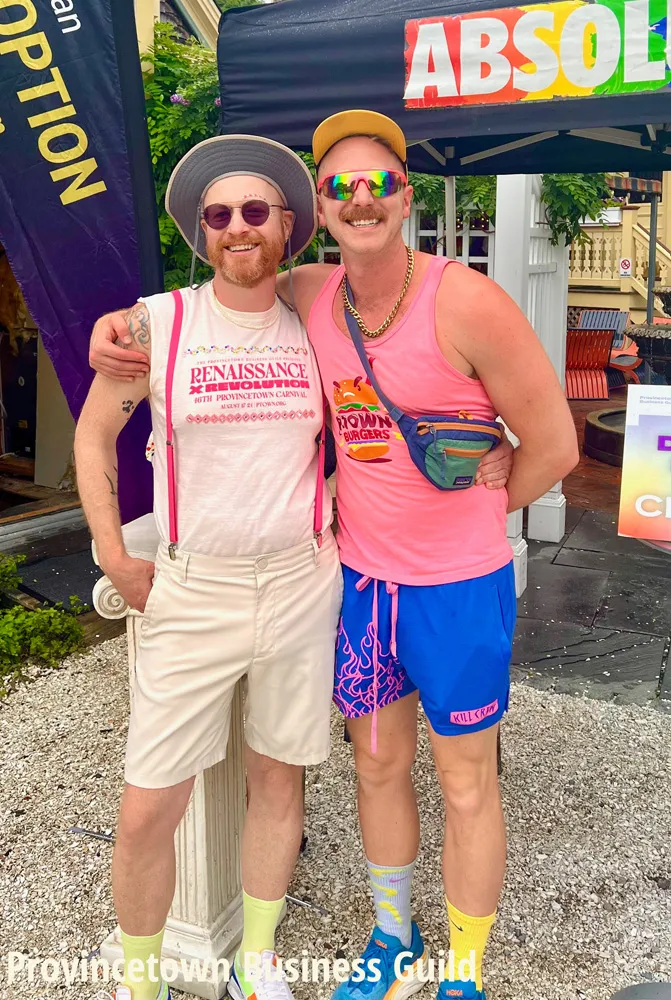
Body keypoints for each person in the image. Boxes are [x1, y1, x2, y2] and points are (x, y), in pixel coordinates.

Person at [88, 111, 575, 1000]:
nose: (360, 200)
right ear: (318, 207)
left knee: (465, 782)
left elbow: (556, 448)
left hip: (456, 588)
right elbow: (228, 283)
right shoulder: (311, 293)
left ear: (405, 197)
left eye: (377, 183)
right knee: (377, 767)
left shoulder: (466, 300)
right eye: (339, 187)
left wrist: (477, 503)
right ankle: (396, 936)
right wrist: (116, 326)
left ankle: (464, 972)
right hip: (360, 585)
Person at [75, 135, 345, 1000]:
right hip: (192, 590)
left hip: (300, 580)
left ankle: (256, 963)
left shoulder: (318, 317)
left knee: (277, 778)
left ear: (288, 226)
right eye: (219, 214)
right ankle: (143, 983)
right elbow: (93, 437)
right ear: (201, 231)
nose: (237, 227)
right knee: (148, 804)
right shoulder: (156, 322)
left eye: (255, 210)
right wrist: (113, 552)